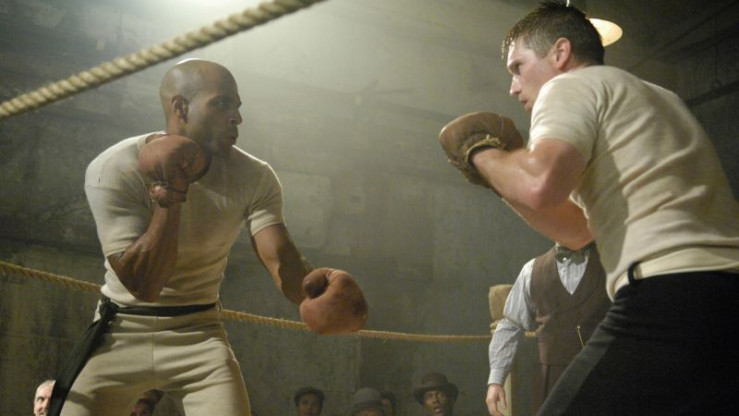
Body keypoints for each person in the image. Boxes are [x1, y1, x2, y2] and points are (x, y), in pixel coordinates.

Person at [438, 1, 738, 414]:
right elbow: (578, 230)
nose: (513, 87)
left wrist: (481, 154)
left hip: (668, 293)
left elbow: (538, 185)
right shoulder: (660, 98)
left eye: (518, 67)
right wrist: (501, 177)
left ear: (560, 53)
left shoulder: (568, 86)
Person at [50, 58, 368, 416]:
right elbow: (143, 284)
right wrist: (171, 193)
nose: (237, 118)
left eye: (237, 106)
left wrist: (317, 290)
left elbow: (279, 257)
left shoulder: (255, 176)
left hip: (198, 333)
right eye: (222, 104)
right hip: (120, 329)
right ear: (180, 108)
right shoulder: (114, 168)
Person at [485, 242, 609, 416]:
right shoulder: (532, 270)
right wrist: (496, 380)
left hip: (603, 377)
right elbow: (510, 325)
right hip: (550, 382)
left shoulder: (612, 264)